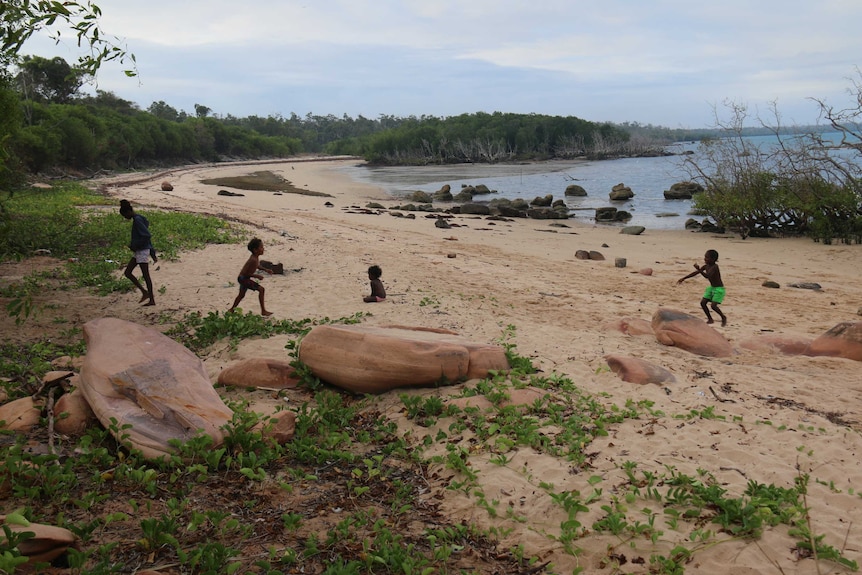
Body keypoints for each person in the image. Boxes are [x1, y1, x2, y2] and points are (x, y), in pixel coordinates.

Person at [119, 200, 156, 306]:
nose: (125, 217)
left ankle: (151, 299)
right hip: (141, 250)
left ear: (128, 212)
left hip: (142, 251)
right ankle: (145, 292)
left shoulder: (138, 220)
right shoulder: (140, 218)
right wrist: (152, 251)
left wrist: (135, 245)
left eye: (125, 215)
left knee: (146, 275)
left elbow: (147, 236)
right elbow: (147, 236)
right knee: (128, 273)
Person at [677, 249, 727, 326]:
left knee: (713, 306)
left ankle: (723, 317)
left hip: (719, 289)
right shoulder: (706, 266)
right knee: (703, 303)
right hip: (712, 287)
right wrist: (684, 278)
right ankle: (710, 319)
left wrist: (699, 269)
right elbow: (695, 273)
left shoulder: (715, 267)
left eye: (707, 257)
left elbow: (708, 276)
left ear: (713, 259)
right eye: (705, 257)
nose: (705, 259)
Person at [229, 238, 273, 316]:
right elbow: (246, 273)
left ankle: (231, 309)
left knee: (241, 295)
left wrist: (266, 270)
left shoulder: (255, 258)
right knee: (261, 290)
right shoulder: (252, 259)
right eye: (261, 247)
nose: (263, 249)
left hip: (243, 278)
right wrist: (256, 276)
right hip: (243, 278)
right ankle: (263, 311)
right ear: (255, 250)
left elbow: (257, 266)